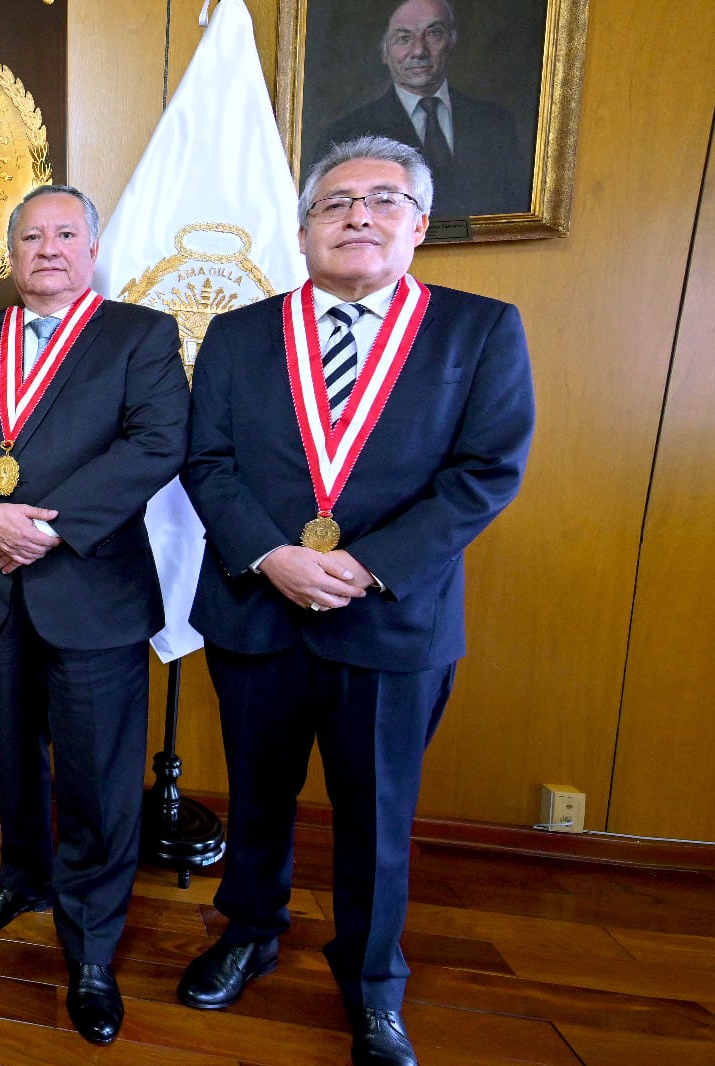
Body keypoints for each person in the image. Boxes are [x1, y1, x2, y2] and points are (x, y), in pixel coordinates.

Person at [177, 136, 535, 1066]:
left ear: (418, 224)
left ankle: (373, 984)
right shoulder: (240, 332)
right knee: (257, 792)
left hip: (392, 617)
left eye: (382, 201)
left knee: (377, 813)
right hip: (259, 608)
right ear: (302, 231)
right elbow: (206, 462)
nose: (358, 217)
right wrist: (270, 555)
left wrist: (365, 565)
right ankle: (249, 931)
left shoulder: (479, 330)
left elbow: (486, 472)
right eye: (335, 204)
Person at [0, 184, 190, 1046]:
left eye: (66, 233)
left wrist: (40, 530)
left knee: (100, 778)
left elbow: (155, 444)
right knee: (12, 753)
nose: (48, 248)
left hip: (92, 591)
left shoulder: (139, 336)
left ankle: (92, 943)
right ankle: (23, 874)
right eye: (31, 236)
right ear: (11, 254)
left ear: (92, 247)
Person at [316, 0, 529, 219]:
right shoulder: (345, 135)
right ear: (384, 51)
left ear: (452, 42)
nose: (418, 50)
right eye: (404, 38)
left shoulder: (496, 123)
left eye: (433, 33)